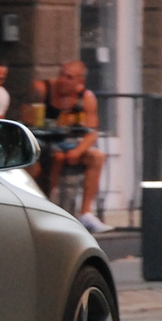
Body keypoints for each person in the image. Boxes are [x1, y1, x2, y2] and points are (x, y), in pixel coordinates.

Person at [24, 60, 112, 234]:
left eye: (69, 77)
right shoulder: (42, 89)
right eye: (62, 74)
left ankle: (85, 213)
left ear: (80, 81)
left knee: (97, 157)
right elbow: (26, 119)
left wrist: (78, 151)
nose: (63, 80)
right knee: (56, 157)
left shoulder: (85, 98)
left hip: (69, 141)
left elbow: (92, 131)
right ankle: (50, 206)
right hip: (42, 138)